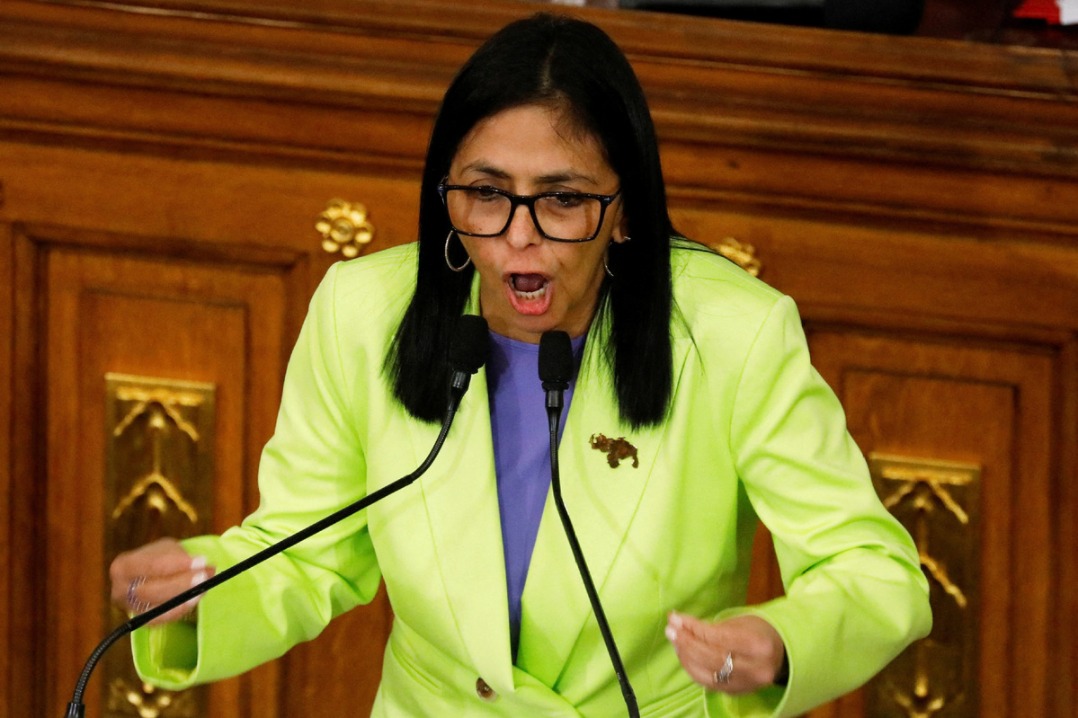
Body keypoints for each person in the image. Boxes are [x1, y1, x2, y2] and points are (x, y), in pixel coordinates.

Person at [109, 13, 931, 717]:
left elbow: (875, 572)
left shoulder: (733, 335)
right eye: (486, 193)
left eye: (563, 199)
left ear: (626, 210)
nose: (518, 237)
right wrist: (199, 590)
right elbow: (304, 550)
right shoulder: (363, 312)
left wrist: (780, 641)